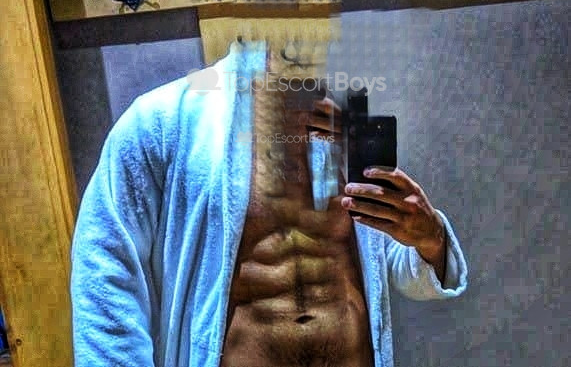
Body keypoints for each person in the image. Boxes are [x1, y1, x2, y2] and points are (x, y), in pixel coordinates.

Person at [71, 41, 468, 367]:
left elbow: (393, 266)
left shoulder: (352, 122)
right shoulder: (164, 121)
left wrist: (430, 237)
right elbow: (105, 275)